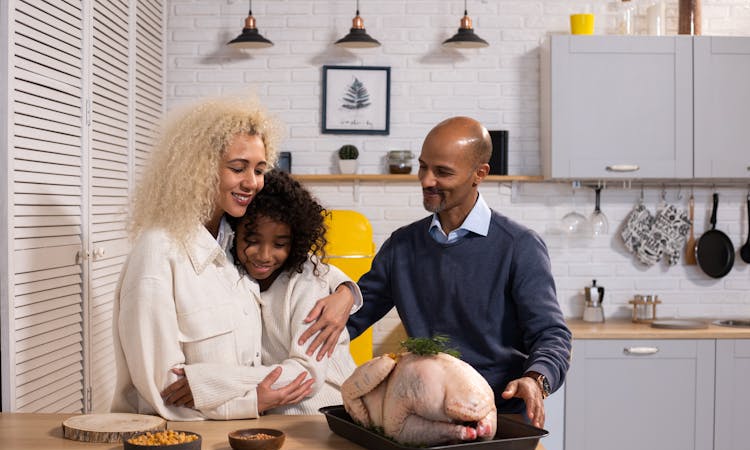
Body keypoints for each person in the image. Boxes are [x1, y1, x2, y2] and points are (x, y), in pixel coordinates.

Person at [111, 95, 356, 420]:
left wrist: (346, 291)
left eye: (259, 169)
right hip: (181, 444)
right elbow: (164, 389)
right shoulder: (158, 252)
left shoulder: (233, 240)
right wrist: (252, 402)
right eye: (237, 168)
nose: (253, 182)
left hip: (243, 441)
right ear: (197, 168)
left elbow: (301, 266)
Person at [341, 116, 572, 428]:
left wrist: (535, 379)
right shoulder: (402, 245)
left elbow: (551, 334)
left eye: (442, 172)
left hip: (502, 415)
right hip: (424, 416)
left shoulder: (519, 246)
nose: (426, 180)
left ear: (479, 174)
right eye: (423, 167)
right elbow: (352, 315)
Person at [229, 170, 357, 414]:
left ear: (295, 242)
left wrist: (217, 383)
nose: (265, 256)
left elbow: (307, 374)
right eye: (253, 240)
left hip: (324, 409)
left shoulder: (308, 282)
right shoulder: (235, 273)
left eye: (279, 245)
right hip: (269, 407)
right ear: (234, 232)